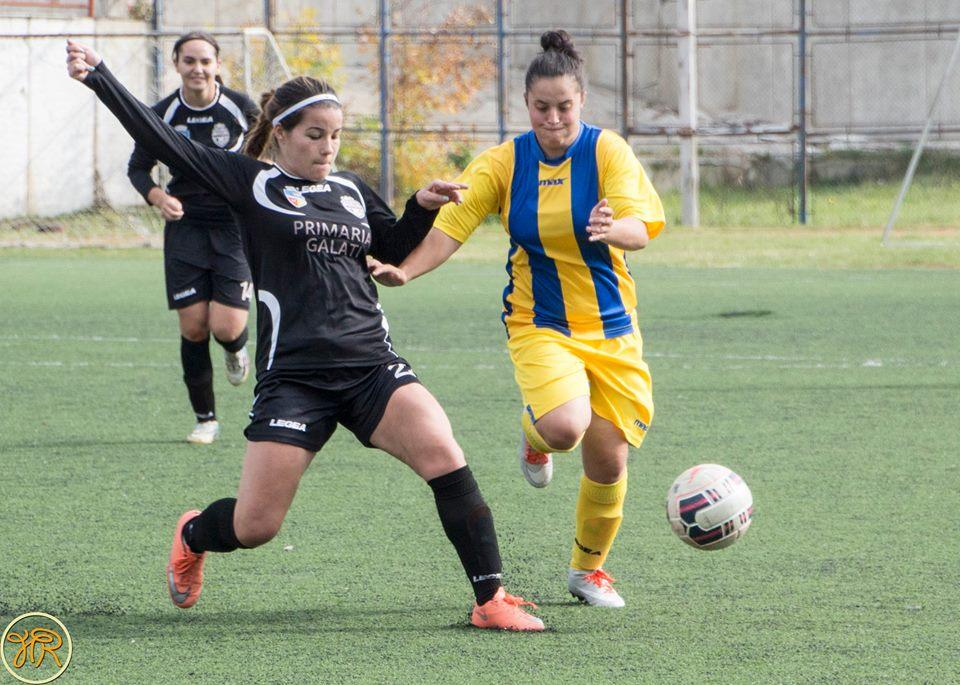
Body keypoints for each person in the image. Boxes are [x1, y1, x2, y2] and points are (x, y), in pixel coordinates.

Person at [67, 40, 544, 631]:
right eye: (315, 135)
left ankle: (491, 599)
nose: (328, 146)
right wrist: (102, 78)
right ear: (283, 134)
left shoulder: (349, 189)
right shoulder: (250, 182)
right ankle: (193, 534)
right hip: (295, 379)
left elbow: (390, 249)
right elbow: (168, 144)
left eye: (336, 135)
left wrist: (419, 207)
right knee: (255, 526)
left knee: (446, 457)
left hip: (371, 366)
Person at [378, 30, 665, 609]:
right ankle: (535, 437)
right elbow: (451, 229)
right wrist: (407, 271)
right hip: (539, 322)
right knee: (564, 428)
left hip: (611, 325)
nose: (553, 118)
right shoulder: (504, 162)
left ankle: (588, 572)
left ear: (581, 102)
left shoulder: (608, 152)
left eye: (564, 107)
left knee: (609, 456)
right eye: (542, 107)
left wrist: (616, 230)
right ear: (526, 105)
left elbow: (642, 225)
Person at [127, 32, 259, 445]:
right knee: (194, 327)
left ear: (218, 64)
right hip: (185, 228)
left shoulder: (243, 109)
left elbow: (269, 155)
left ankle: (237, 349)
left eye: (205, 61)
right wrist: (158, 196)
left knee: (225, 326)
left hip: (235, 226)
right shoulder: (161, 113)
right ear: (176, 64)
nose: (198, 68)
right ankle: (206, 420)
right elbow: (137, 168)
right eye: (189, 61)